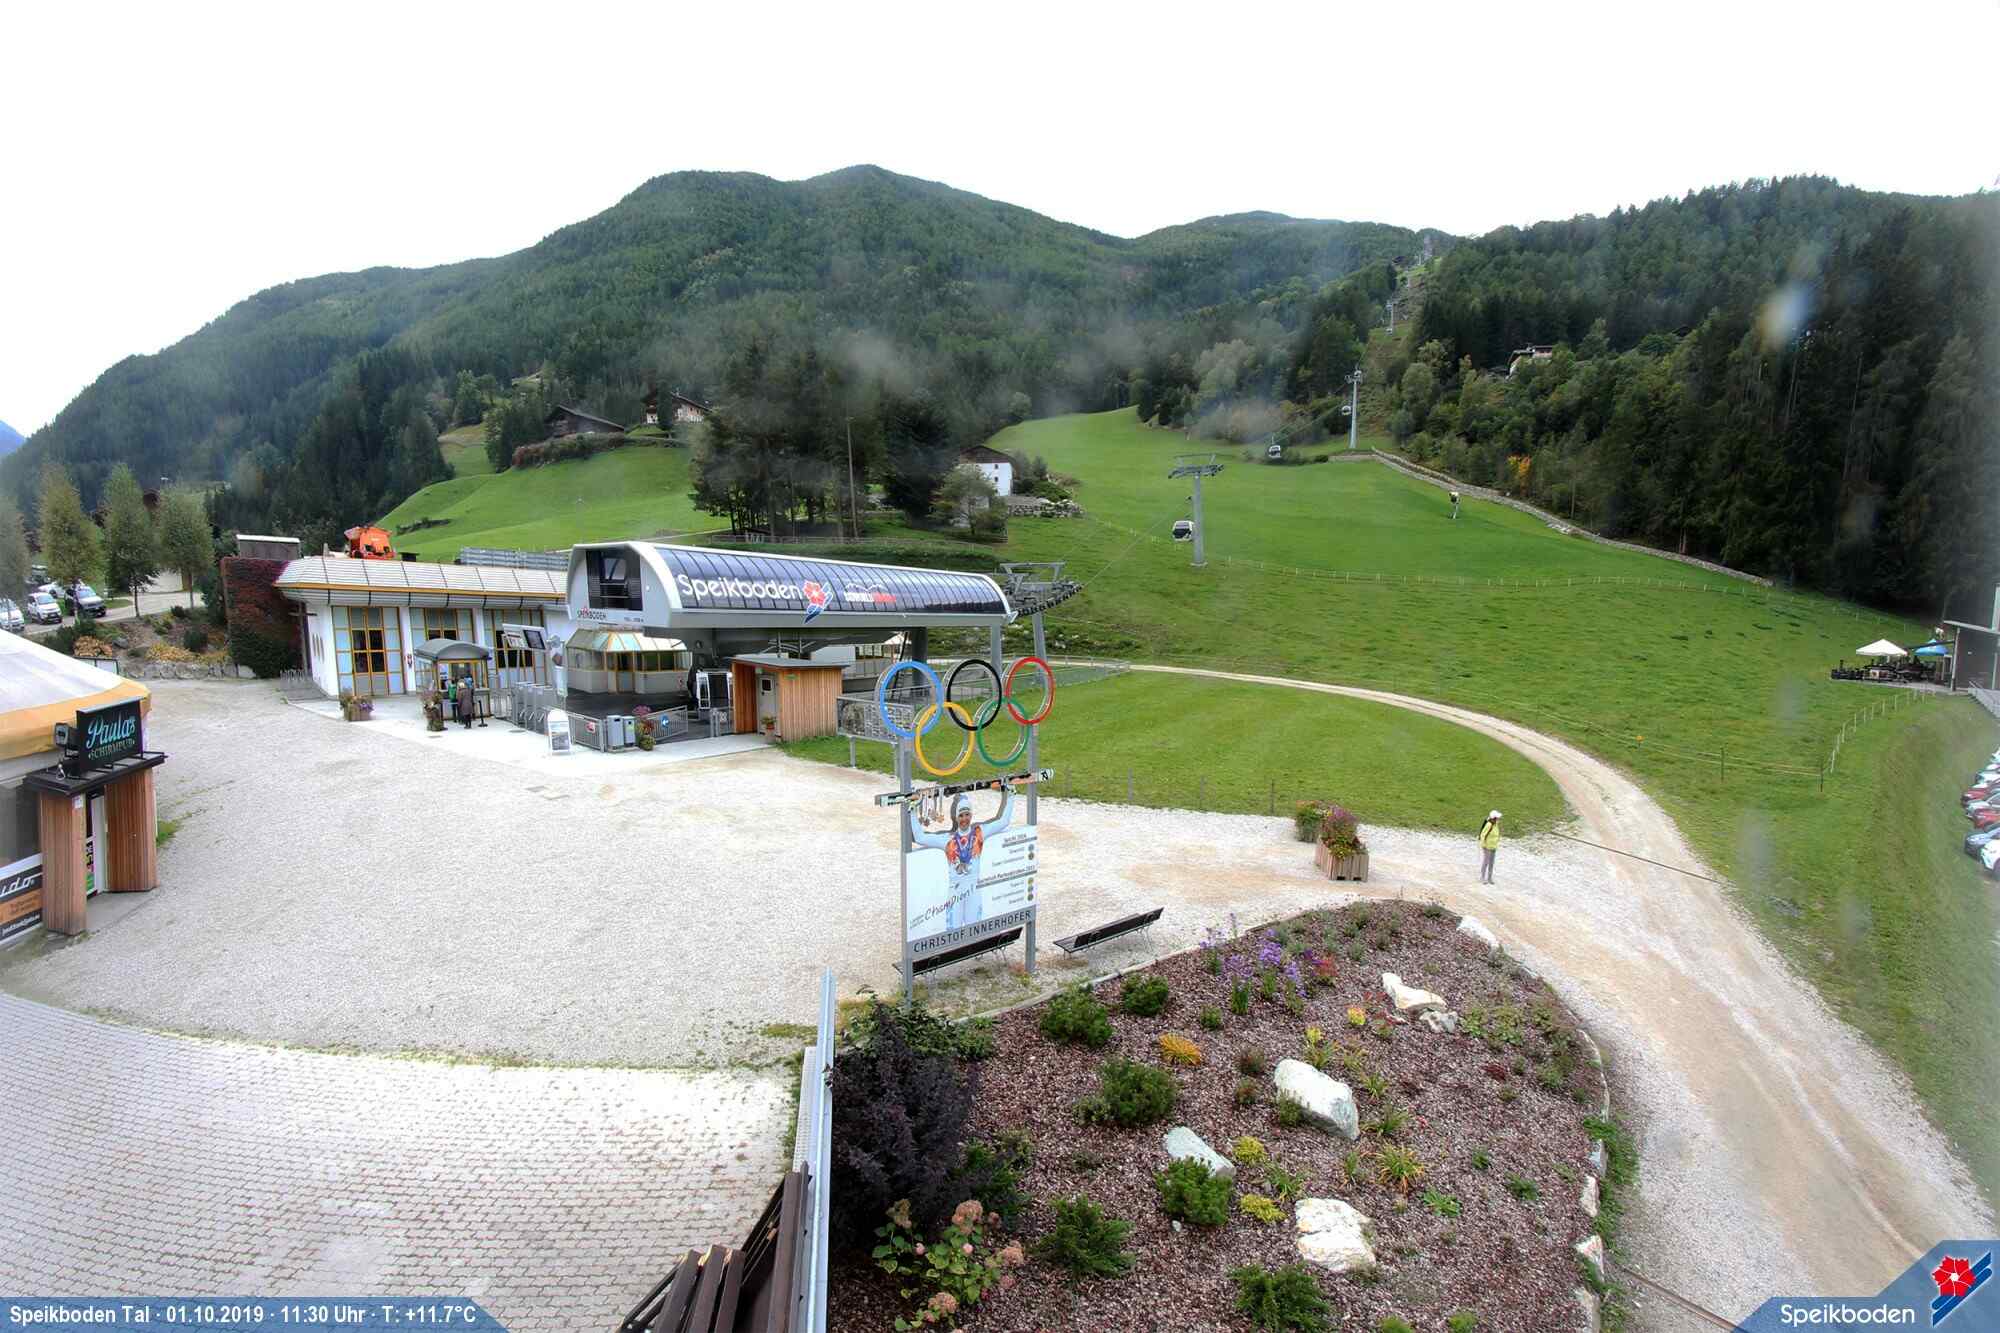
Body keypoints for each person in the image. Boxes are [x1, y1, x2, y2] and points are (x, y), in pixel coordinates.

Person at [912, 788, 1014, 930]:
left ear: (971, 815)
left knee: (975, 930)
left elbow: (1004, 821)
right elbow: (920, 837)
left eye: (967, 814)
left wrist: (1011, 795)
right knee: (953, 932)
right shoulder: (948, 839)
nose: (964, 819)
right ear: (956, 817)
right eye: (961, 815)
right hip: (956, 892)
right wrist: (912, 809)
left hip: (974, 890)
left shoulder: (979, 833)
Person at [1478, 810, 1502, 884]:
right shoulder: (1489, 825)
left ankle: (1489, 878)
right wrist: (1483, 845)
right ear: (1493, 818)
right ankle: (1482, 877)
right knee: (1486, 862)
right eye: (1497, 817)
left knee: (1491, 863)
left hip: (1493, 846)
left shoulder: (1495, 824)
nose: (1498, 819)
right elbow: (1483, 835)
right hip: (1487, 846)